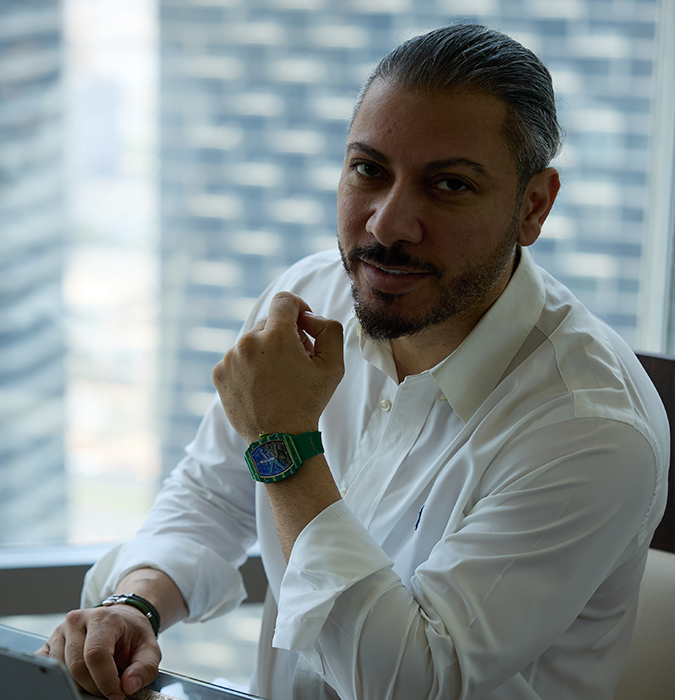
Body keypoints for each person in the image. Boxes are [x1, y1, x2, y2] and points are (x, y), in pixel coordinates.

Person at [38, 24, 669, 700]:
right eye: (369, 170)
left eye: (449, 185)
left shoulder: (591, 427)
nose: (388, 225)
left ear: (533, 207)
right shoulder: (312, 296)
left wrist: (285, 445)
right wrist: (136, 603)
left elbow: (413, 682)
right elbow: (213, 496)